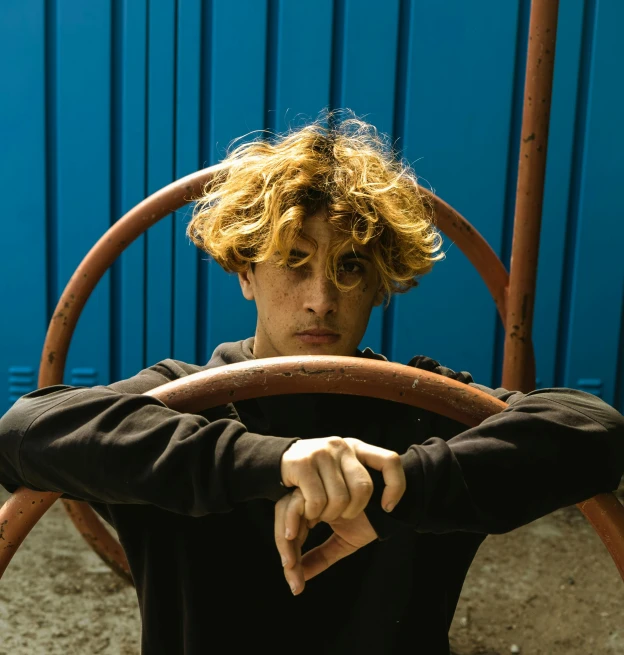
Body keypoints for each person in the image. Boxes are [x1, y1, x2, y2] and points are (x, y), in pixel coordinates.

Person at [1, 113, 623, 655]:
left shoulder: (422, 409)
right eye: (293, 263)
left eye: (350, 267)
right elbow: (22, 431)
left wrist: (402, 481)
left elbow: (596, 430)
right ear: (245, 270)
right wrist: (270, 461)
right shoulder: (186, 400)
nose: (321, 300)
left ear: (381, 282)